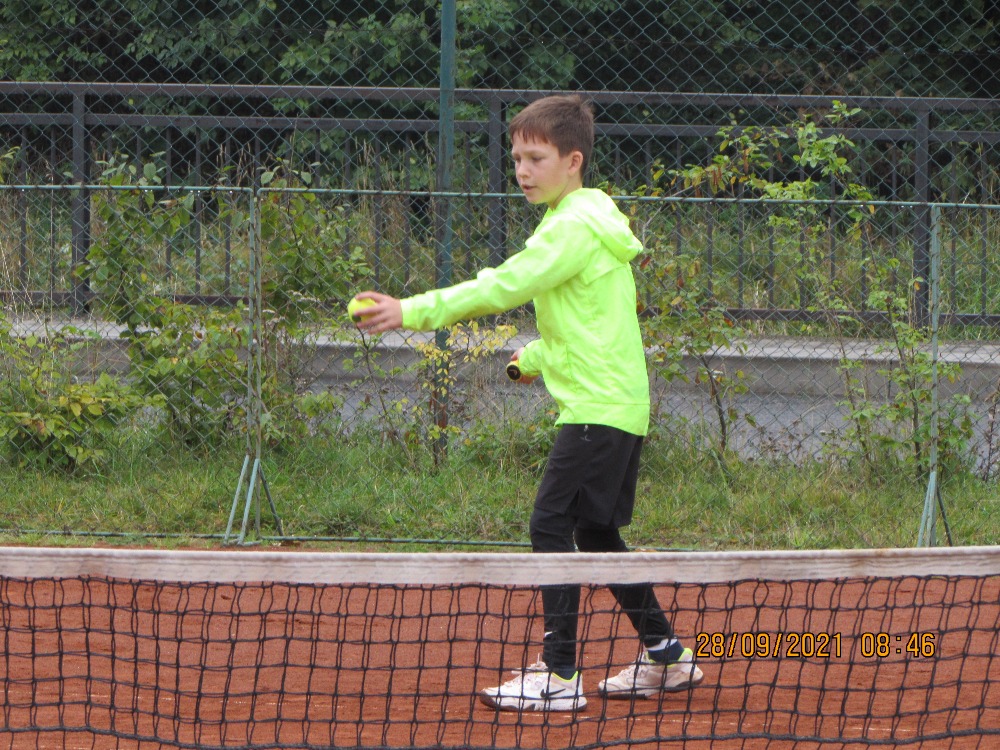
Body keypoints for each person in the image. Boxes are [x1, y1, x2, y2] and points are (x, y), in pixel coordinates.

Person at [353, 94, 703, 712]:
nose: (522, 170)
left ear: (573, 161)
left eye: (536, 158)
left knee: (549, 524)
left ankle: (561, 675)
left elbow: (504, 285)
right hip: (618, 404)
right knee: (595, 533)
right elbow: (593, 326)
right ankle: (667, 655)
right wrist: (534, 359)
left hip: (596, 408)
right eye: (516, 157)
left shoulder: (570, 228)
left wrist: (411, 310)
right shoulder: (590, 220)